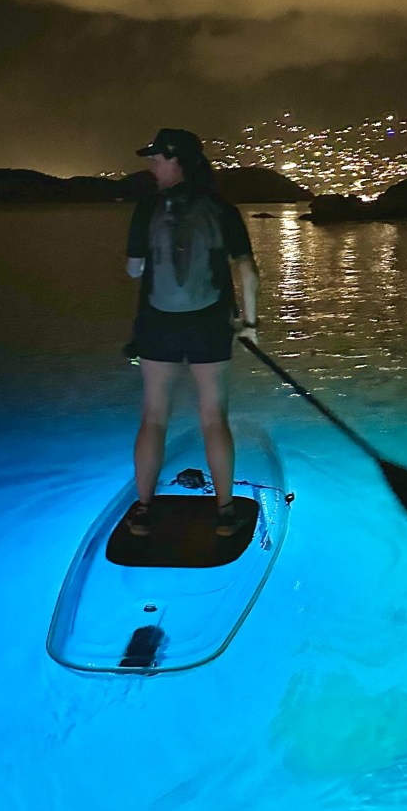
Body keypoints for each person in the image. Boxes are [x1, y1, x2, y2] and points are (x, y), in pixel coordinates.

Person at [124, 127, 260, 538]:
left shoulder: (147, 209)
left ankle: (144, 511)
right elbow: (249, 272)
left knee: (153, 417)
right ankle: (224, 512)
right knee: (214, 419)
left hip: (158, 325)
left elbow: (133, 270)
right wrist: (251, 327)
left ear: (174, 160)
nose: (150, 165)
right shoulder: (222, 209)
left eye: (156, 158)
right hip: (210, 325)